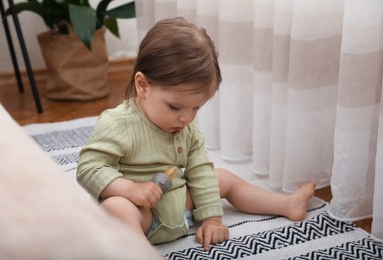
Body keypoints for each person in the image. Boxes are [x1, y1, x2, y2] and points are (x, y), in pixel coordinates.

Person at [76, 17, 316, 252]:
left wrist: (212, 219)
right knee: (116, 207)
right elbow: (89, 168)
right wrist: (130, 189)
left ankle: (287, 204)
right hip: (142, 217)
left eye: (196, 108)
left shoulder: (186, 128)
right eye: (175, 107)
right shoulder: (119, 123)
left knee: (221, 178)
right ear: (143, 85)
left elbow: (200, 172)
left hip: (183, 213)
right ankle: (139, 251)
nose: (186, 118)